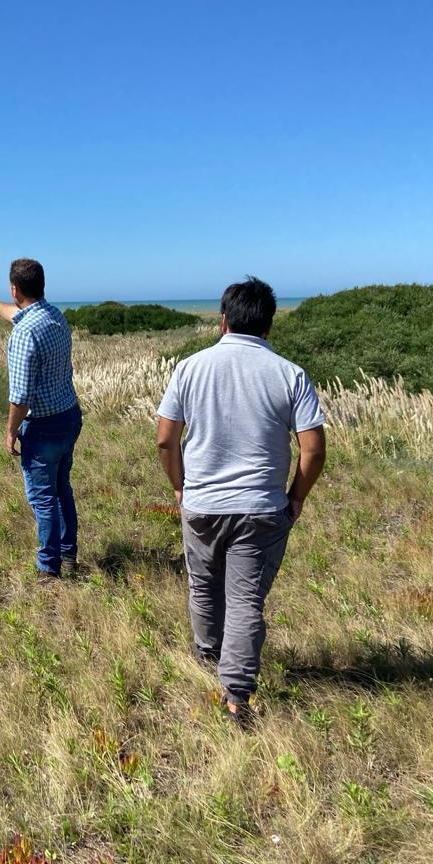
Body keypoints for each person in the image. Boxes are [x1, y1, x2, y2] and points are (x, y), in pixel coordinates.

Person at [156, 277, 326, 726]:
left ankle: (208, 658)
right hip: (262, 507)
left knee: (203, 584)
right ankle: (236, 696)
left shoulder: (189, 368)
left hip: (202, 502)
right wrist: (296, 496)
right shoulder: (290, 374)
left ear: (223, 321)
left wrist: (180, 485)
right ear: (269, 326)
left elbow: (164, 440)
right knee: (246, 599)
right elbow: (313, 449)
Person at [0, 259, 82, 584]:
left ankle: (48, 568)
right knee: (61, 488)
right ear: (42, 285)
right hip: (69, 416)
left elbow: (19, 397)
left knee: (43, 497)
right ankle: (68, 554)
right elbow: (15, 313)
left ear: (14, 288)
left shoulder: (23, 334)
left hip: (43, 426)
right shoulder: (54, 317)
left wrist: (10, 432)